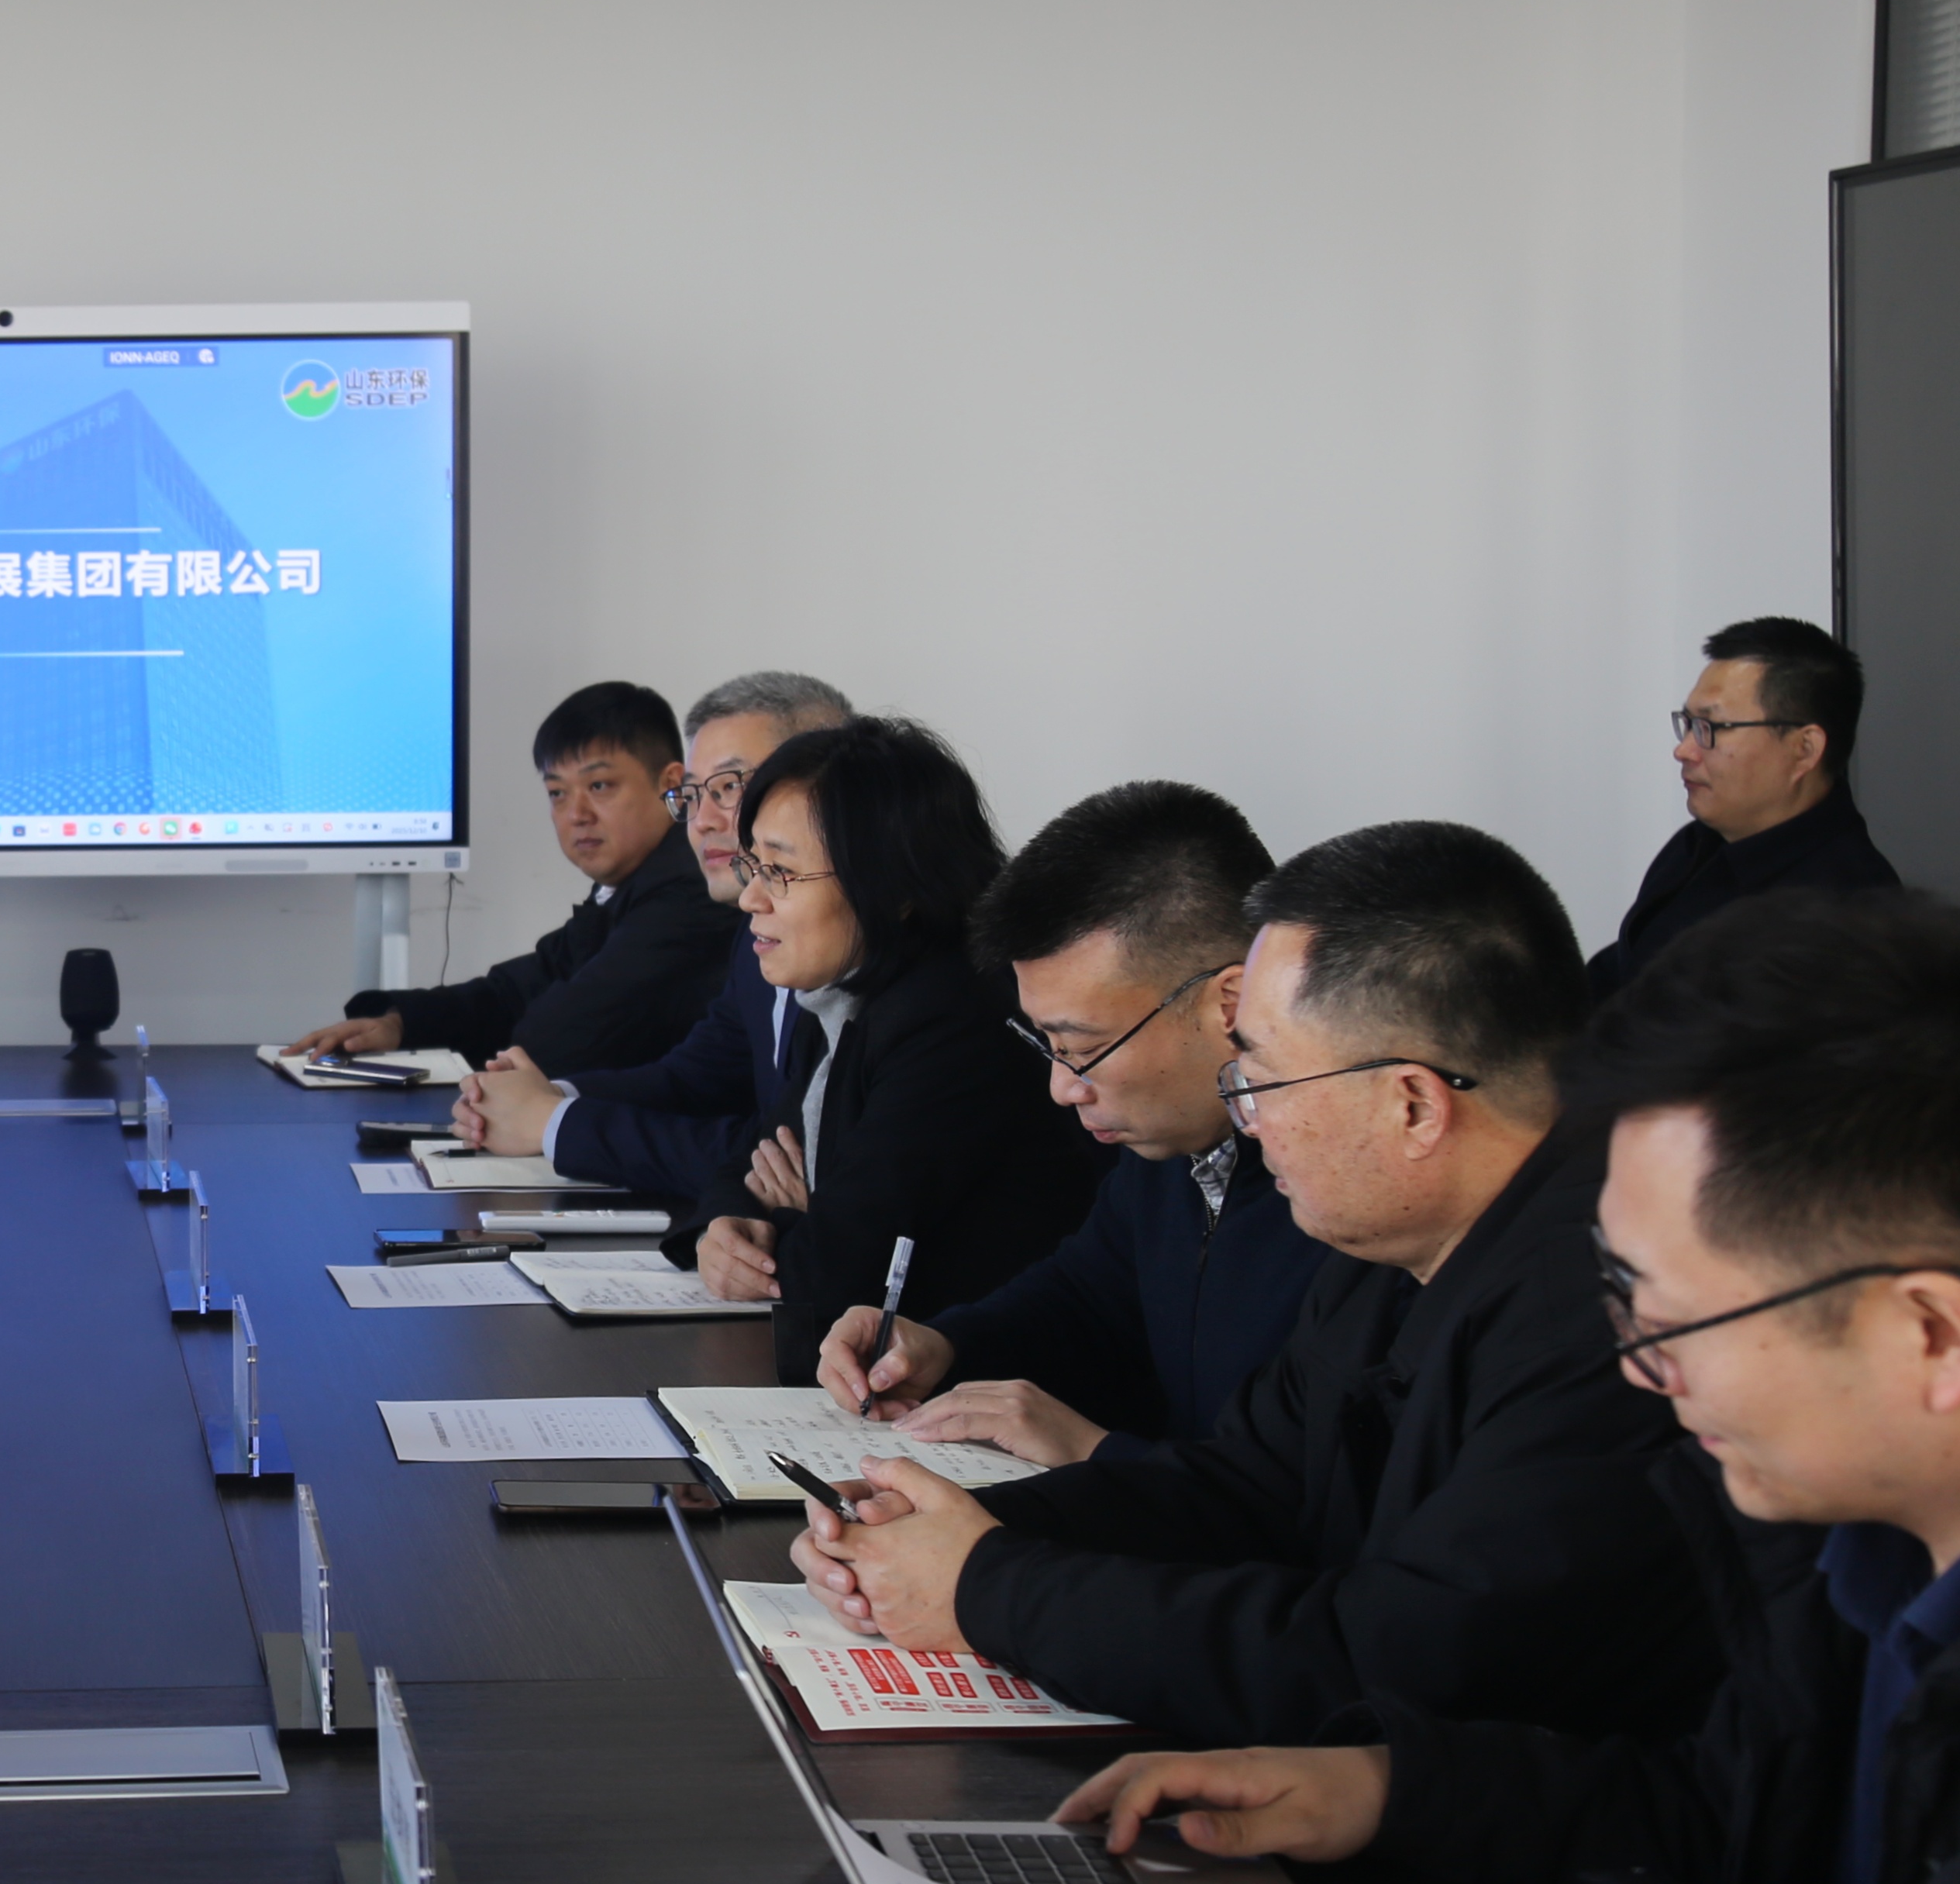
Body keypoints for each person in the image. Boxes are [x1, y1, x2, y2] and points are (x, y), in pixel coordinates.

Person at [1059, 892, 1960, 1884]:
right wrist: (1394, 1788)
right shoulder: (1845, 1553)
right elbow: (1733, 1812)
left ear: (1927, 1333)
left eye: (1665, 1315)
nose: (1638, 1369)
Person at [795, 821, 1721, 1745]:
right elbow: (1251, 1487)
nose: (1247, 1118)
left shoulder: (1611, 1314)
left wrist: (987, 1586)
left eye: (1262, 1079)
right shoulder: (1387, 1251)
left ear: (1411, 1104)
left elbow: (1404, 1657)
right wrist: (945, 1527)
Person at [813, 781, 1328, 1460]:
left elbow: (1307, 1491)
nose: (1062, 1087)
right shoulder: (1168, 1149)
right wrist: (943, 1345)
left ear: (1229, 1003)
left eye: (1085, 1049)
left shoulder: (1343, 1198)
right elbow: (1085, 1295)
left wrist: (1092, 1452)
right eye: (1046, 1046)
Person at [680, 717, 1108, 1363]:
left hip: (986, 1384)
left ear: (895, 887)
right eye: (752, 865)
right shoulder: (841, 992)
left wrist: (797, 1221)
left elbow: (835, 1280)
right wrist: (724, 1225)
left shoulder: (954, 1019)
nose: (750, 899)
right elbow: (753, 1155)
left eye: (781, 872)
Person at [451, 671, 855, 1202]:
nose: (700, 821)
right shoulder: (753, 926)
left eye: (730, 787)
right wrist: (546, 1097)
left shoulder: (868, 953)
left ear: (830, 791)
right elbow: (694, 1079)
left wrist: (553, 1122)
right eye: (694, 793)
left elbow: (795, 1163)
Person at [287, 681, 732, 1075]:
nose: (576, 815)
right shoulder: (626, 886)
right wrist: (399, 1024)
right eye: (557, 793)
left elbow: (563, 1041)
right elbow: (516, 991)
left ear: (671, 784)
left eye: (599, 786)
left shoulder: (693, 893)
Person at [1586, 616, 1897, 1000]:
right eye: (1688, 724)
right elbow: (1623, 974)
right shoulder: (1700, 842)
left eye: (1710, 728)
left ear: (1804, 749)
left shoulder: (1846, 916)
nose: (1684, 750)